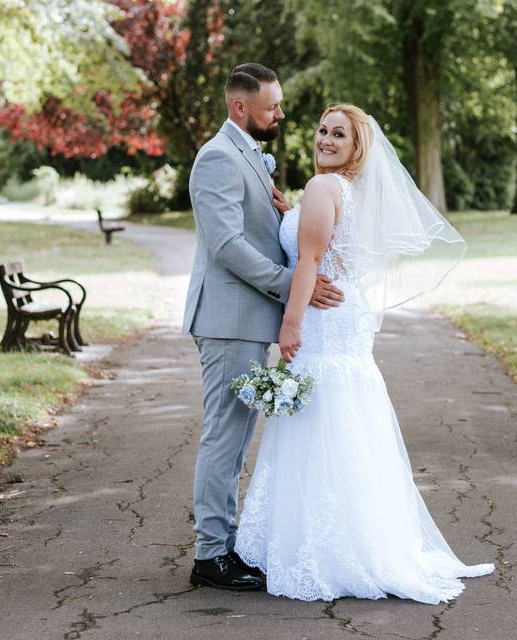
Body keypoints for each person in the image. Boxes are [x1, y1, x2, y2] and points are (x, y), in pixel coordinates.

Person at [233, 104, 495, 603]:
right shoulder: (346, 192)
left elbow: (309, 260)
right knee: (347, 417)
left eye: (339, 135)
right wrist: (290, 212)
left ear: (357, 149)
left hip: (322, 322)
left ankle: (319, 548)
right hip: (346, 321)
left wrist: (290, 326)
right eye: (322, 131)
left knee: (319, 417)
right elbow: (324, 244)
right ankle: (360, 541)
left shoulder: (322, 188)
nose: (326, 140)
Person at [183, 63, 344, 591]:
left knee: (237, 438)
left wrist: (286, 214)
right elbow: (227, 246)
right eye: (272, 106)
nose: (280, 113)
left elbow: (259, 229)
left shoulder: (248, 155)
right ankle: (210, 556)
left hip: (250, 319)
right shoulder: (217, 158)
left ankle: (223, 547)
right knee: (225, 439)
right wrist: (289, 283)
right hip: (230, 320)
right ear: (240, 107)